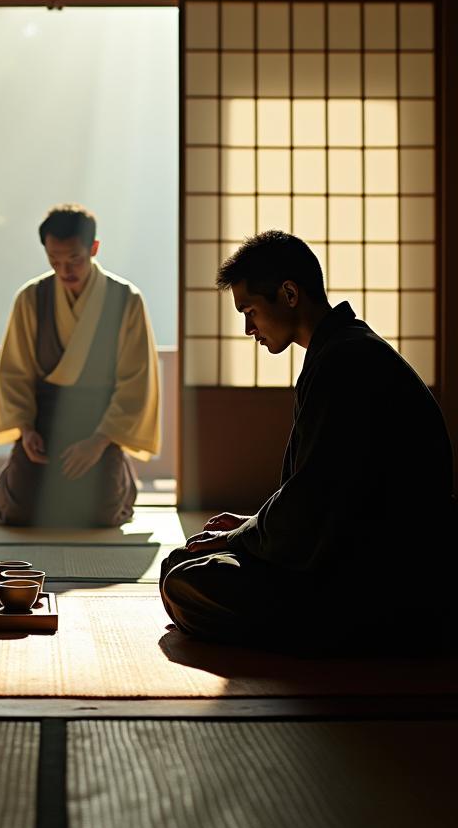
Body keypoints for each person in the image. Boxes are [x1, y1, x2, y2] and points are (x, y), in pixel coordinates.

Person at [160, 229, 456, 653]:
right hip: (353, 557)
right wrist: (249, 526)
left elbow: (316, 500)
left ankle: (350, 640)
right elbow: (316, 494)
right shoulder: (340, 350)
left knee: (185, 581)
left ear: (289, 294)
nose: (248, 329)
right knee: (183, 563)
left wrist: (244, 532)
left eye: (251, 311)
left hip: (382, 578)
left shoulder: (348, 362)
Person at [0, 204, 160, 527]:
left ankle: (119, 474)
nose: (65, 270)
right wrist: (26, 429)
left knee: (102, 515)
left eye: (74, 260)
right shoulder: (31, 298)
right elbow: (14, 372)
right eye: (54, 261)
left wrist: (100, 441)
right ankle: (13, 474)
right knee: (19, 513)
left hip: (101, 423)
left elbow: (136, 380)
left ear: (93, 248)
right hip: (43, 419)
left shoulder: (126, 299)